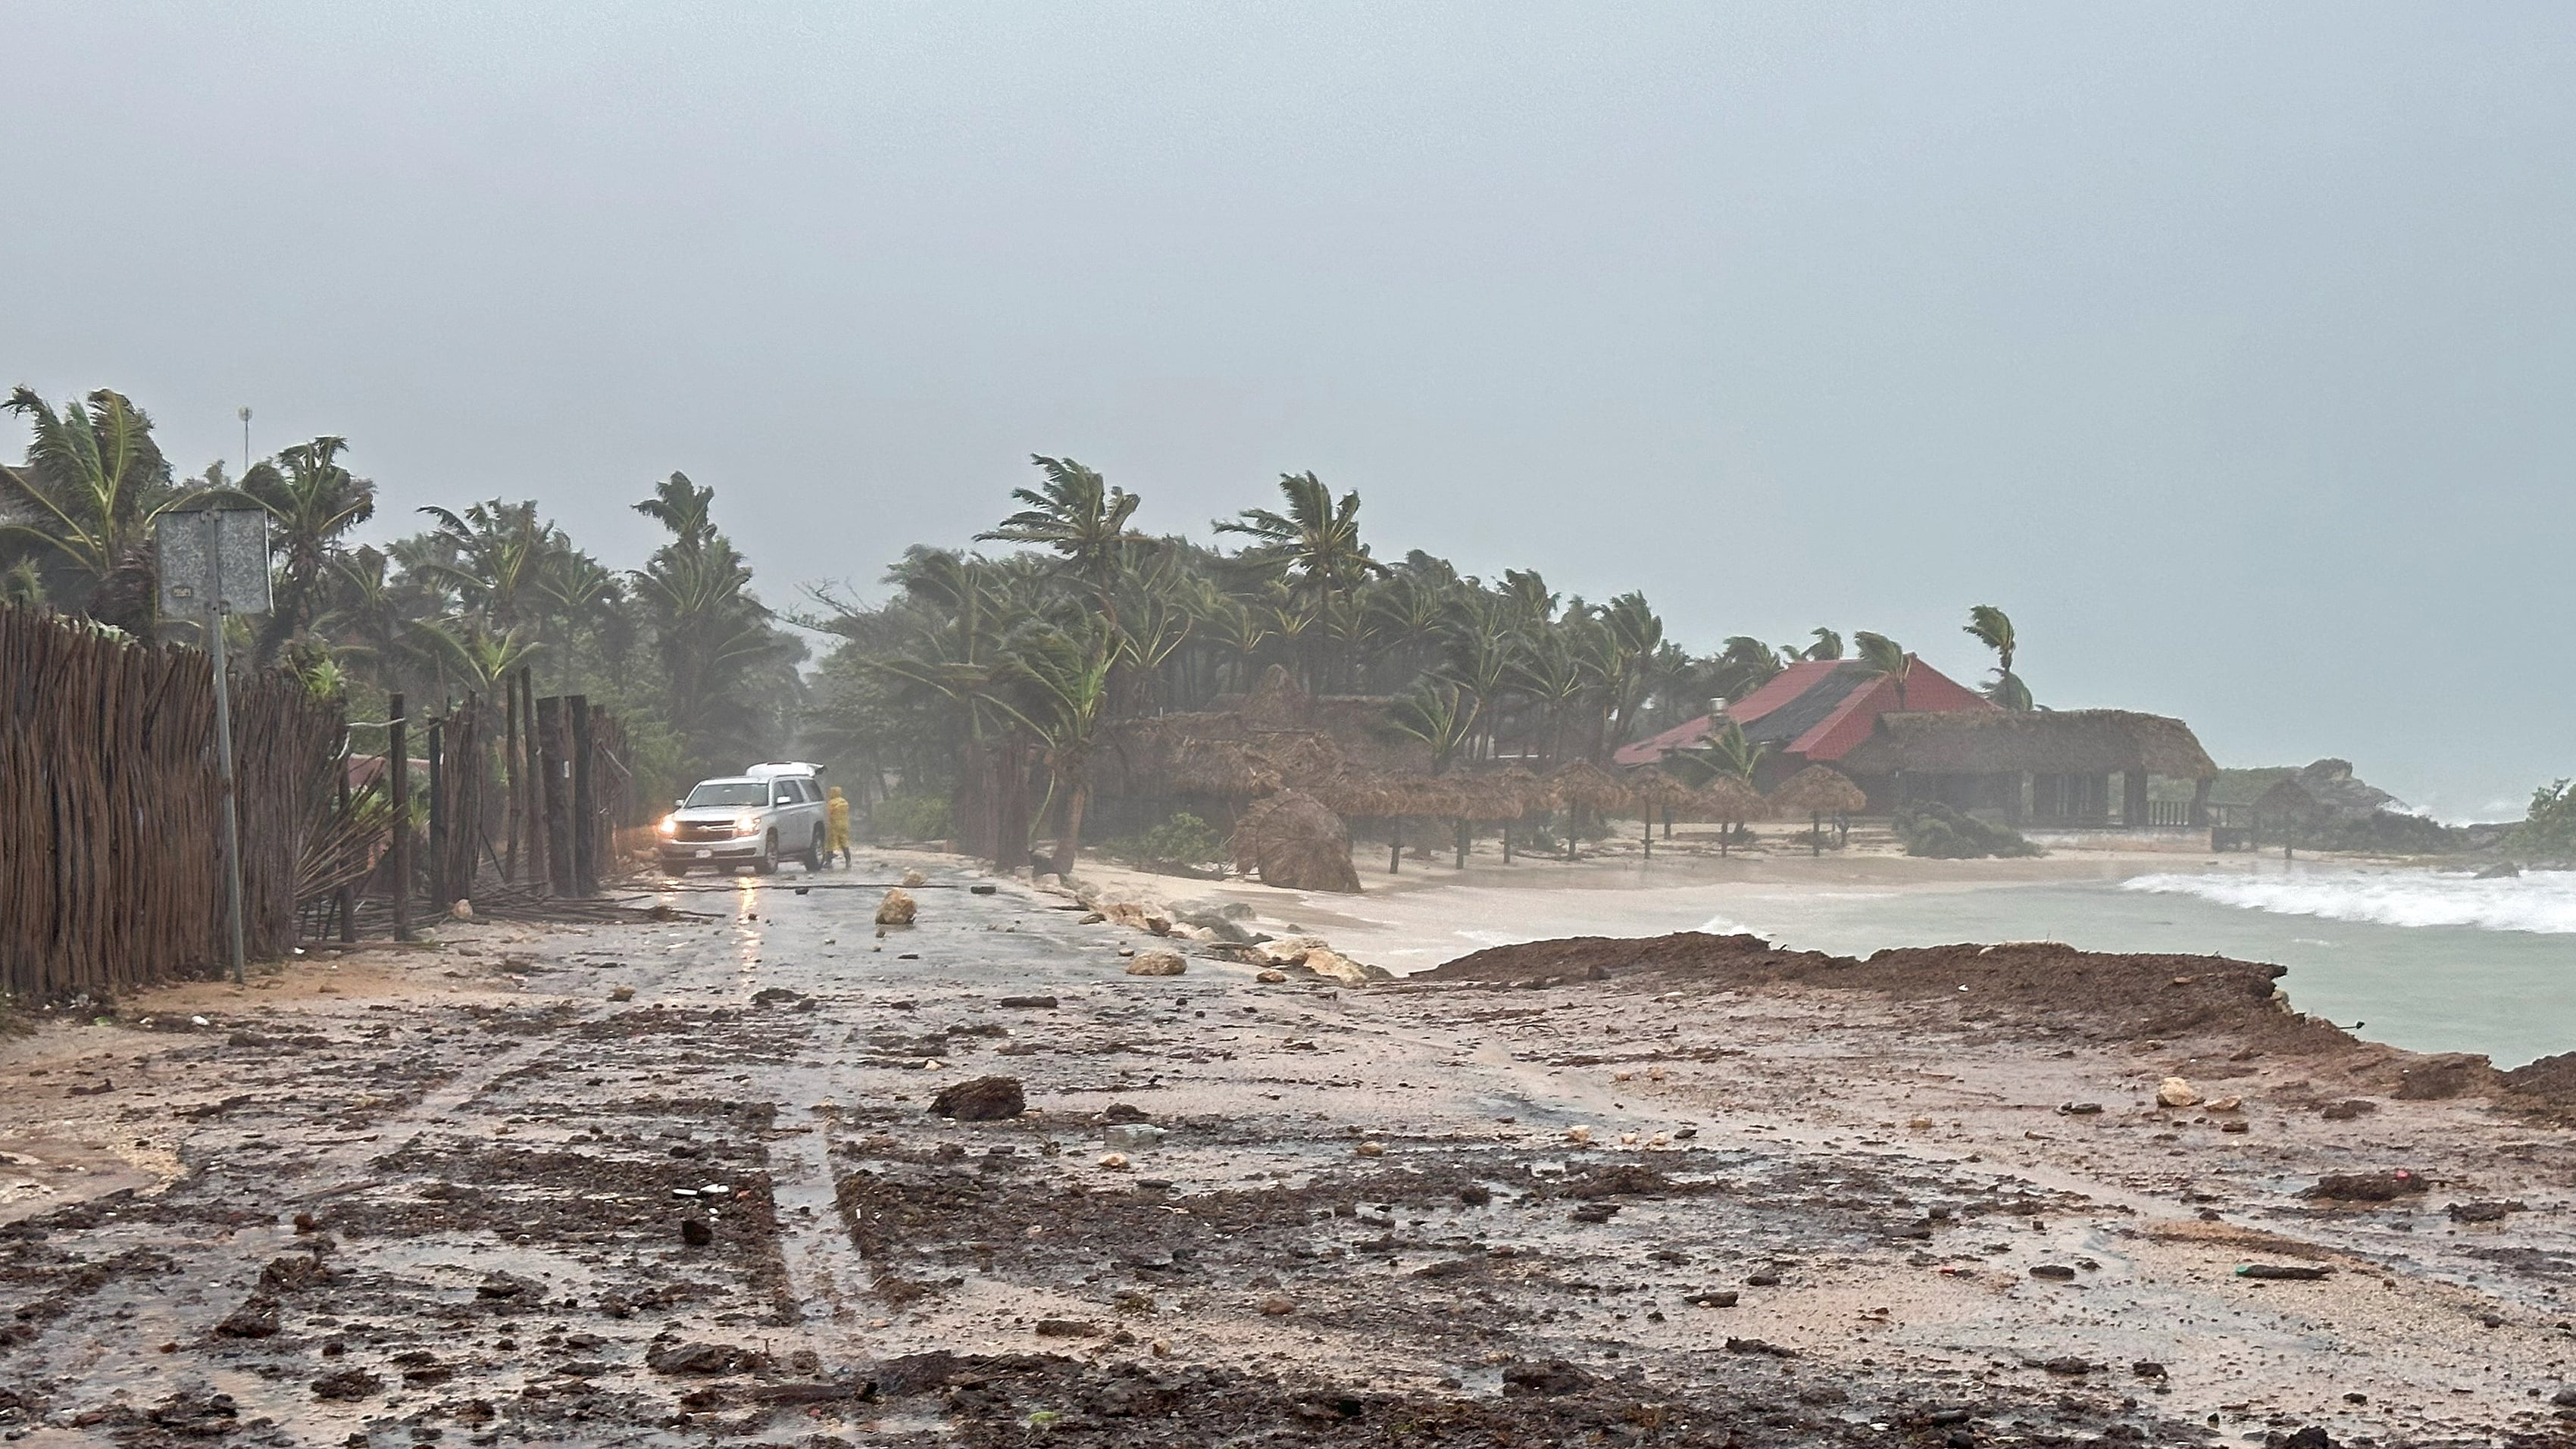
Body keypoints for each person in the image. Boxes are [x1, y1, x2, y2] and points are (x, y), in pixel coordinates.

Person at [824, 785, 852, 868]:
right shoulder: (844, 802)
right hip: (844, 825)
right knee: (844, 842)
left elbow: (828, 814)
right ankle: (848, 861)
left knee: (830, 844)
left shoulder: (832, 803)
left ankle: (828, 862)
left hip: (834, 825)